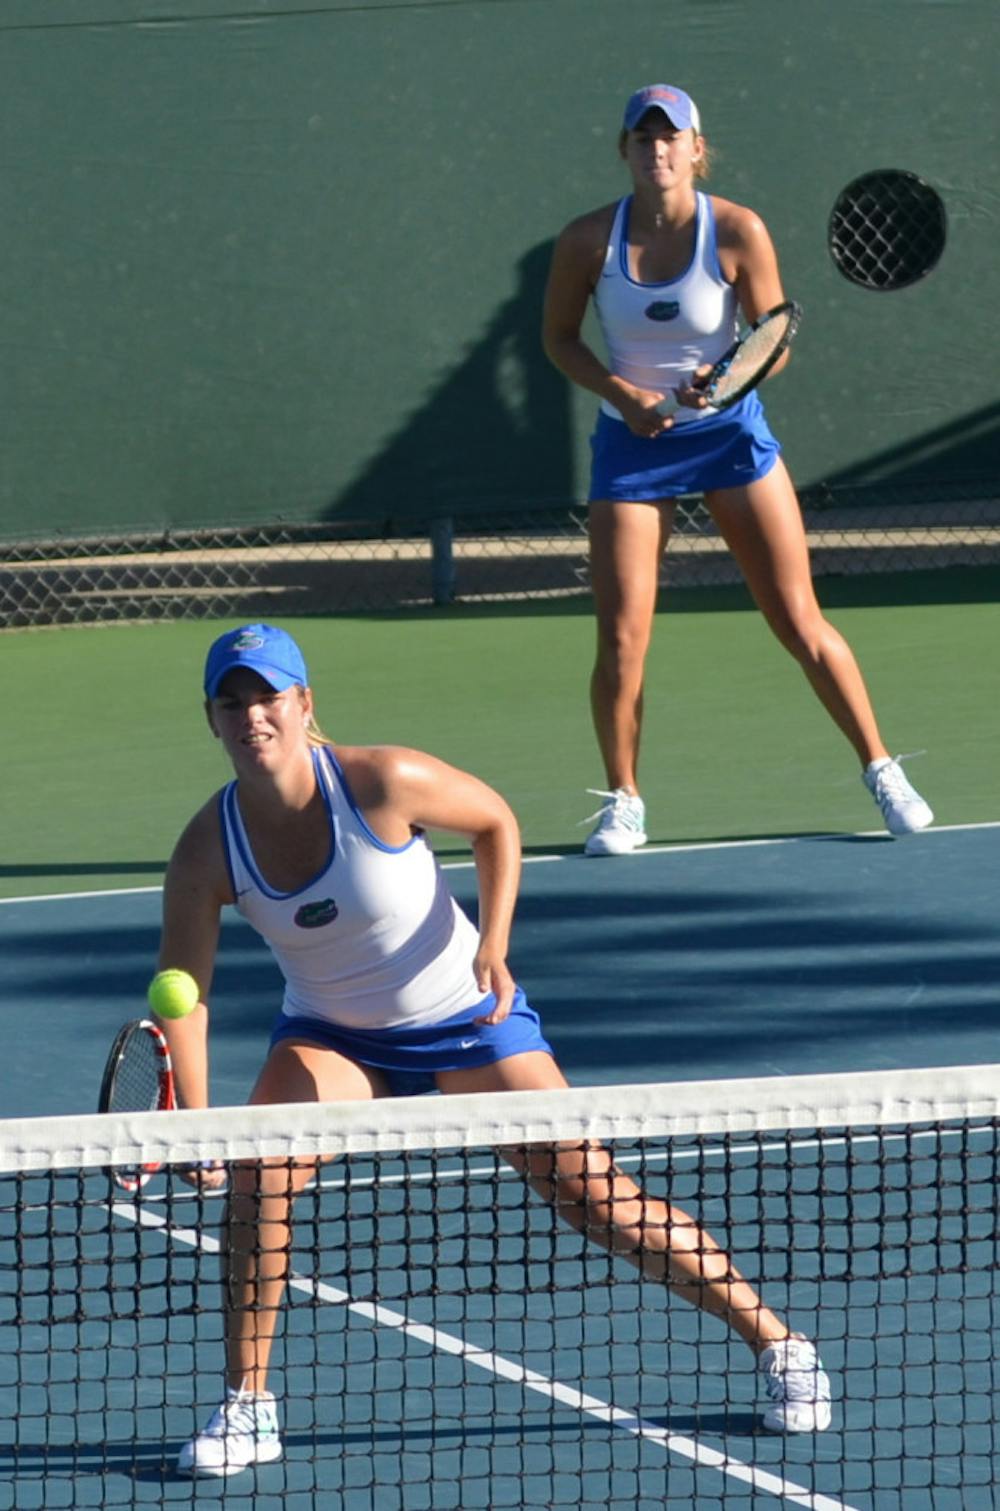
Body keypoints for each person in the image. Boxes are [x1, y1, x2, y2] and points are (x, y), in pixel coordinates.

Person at [159, 622, 831, 1477]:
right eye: (233, 701)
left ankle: (780, 1344)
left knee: (596, 1196)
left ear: (304, 704)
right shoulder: (205, 847)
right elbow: (185, 989)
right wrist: (194, 1116)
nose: (253, 715)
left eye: (268, 697)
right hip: (335, 1038)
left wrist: (494, 944)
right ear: (212, 720)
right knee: (258, 1178)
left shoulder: (380, 779)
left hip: (468, 1018)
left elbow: (495, 822)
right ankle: (248, 1405)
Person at [542, 83, 934, 856]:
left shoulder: (738, 230)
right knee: (622, 639)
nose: (657, 148)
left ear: (696, 148)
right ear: (623, 150)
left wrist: (721, 385)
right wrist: (626, 394)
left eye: (671, 136)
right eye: (642, 137)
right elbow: (560, 338)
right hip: (632, 443)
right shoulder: (587, 241)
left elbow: (774, 338)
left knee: (799, 621)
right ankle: (623, 799)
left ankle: (882, 769)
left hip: (729, 436)